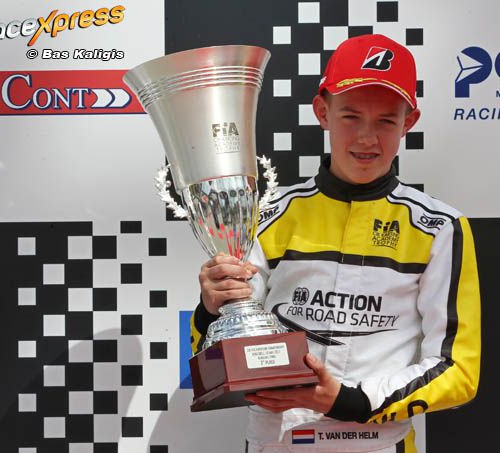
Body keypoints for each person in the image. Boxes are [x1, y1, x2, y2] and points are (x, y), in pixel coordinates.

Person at [191, 34, 481, 452]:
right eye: (350, 116)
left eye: (386, 120)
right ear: (322, 112)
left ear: (409, 122)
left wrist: (349, 401)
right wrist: (210, 308)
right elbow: (217, 351)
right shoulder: (266, 215)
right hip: (278, 442)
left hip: (378, 444)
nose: (366, 138)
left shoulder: (438, 227)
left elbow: (458, 370)